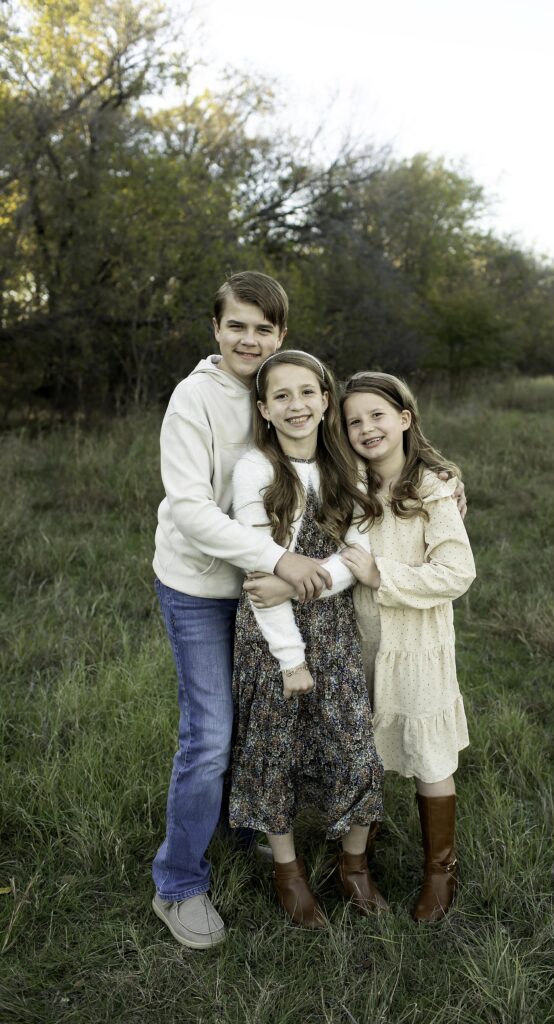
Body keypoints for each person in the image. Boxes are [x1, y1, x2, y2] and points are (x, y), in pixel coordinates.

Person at [151, 273, 337, 949]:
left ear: (281, 335)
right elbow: (189, 508)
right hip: (201, 587)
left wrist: (439, 476)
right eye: (237, 326)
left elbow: (362, 434)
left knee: (256, 722)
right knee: (207, 737)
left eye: (263, 328)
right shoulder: (193, 400)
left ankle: (240, 823)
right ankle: (177, 883)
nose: (249, 339)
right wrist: (279, 560)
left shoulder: (285, 383)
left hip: (263, 597)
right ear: (216, 328)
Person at [228, 350, 387, 928]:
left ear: (326, 401)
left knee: (355, 747)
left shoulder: (349, 468)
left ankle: (354, 865)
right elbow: (256, 578)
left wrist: (297, 587)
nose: (296, 405)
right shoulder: (256, 469)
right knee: (275, 751)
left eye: (307, 393)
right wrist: (289, 657)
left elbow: (360, 555)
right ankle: (288, 871)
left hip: (331, 624)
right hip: (269, 634)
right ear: (265, 410)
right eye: (281, 396)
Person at [339, 371, 476, 923]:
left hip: (417, 646)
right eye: (354, 421)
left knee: (428, 755)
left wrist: (382, 574)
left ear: (405, 418)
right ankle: (354, 862)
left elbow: (456, 571)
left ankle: (440, 870)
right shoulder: (346, 485)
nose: (367, 428)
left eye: (378, 415)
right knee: (362, 751)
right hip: (361, 642)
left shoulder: (431, 491)